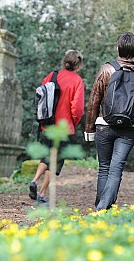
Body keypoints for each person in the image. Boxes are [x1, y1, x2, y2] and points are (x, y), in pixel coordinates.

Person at [84, 32, 134, 211]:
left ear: (118, 47)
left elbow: (93, 101)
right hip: (129, 128)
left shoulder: (106, 69)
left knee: (104, 168)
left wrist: (89, 129)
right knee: (116, 170)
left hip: (104, 125)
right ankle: (103, 208)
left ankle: (101, 209)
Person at [29, 50, 85, 203]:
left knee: (45, 156)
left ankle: (34, 180)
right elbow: (78, 108)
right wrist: (73, 122)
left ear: (64, 62)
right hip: (63, 127)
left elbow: (41, 96)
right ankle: (41, 193)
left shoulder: (52, 76)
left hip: (47, 125)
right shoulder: (77, 81)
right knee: (54, 162)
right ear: (78, 65)